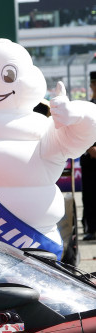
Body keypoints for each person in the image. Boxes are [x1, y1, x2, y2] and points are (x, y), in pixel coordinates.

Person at [81, 71, 96, 241]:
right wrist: (91, 147)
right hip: (91, 159)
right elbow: (81, 132)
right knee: (90, 196)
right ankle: (91, 228)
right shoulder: (89, 107)